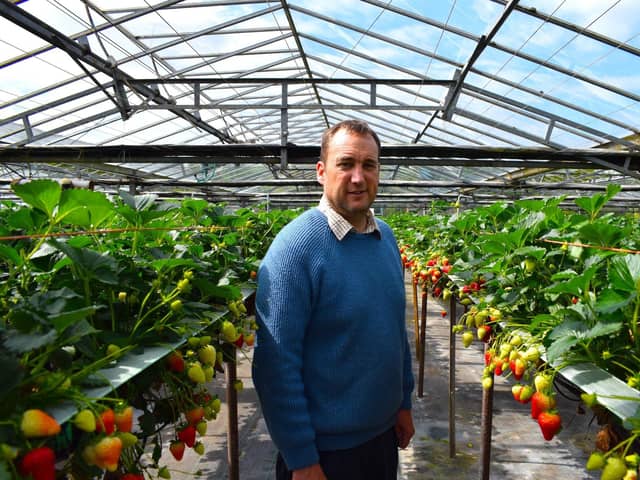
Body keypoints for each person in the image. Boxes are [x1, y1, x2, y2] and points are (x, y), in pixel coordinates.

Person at [252, 119, 415, 480]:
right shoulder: (295, 249)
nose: (358, 177)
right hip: (325, 455)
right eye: (346, 164)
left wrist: (402, 403)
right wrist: (301, 457)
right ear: (322, 172)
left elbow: (394, 331)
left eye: (368, 165)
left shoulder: (385, 239)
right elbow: (275, 367)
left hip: (382, 439)